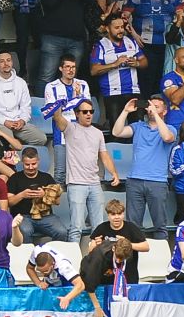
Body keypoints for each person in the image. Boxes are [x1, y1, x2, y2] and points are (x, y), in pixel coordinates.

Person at [55, 98, 120, 236]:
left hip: (95, 183)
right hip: (76, 183)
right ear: (76, 113)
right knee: (76, 228)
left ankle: (97, 257)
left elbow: (104, 155)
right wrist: (59, 106)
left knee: (99, 228)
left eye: (91, 111)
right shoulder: (70, 128)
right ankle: (73, 257)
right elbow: (57, 118)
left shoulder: (98, 133)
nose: (89, 114)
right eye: (84, 112)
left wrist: (114, 173)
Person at [112, 95, 176, 232]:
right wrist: (125, 111)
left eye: (156, 107)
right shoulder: (138, 126)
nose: (151, 109)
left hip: (157, 182)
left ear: (164, 111)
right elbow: (116, 132)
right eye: (150, 106)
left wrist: (157, 116)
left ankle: (161, 253)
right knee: (132, 226)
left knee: (160, 226)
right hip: (135, 180)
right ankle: (134, 253)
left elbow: (166, 137)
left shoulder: (171, 128)